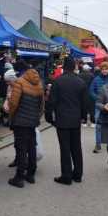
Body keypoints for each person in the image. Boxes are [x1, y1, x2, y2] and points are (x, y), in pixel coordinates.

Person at [46, 56, 87, 185]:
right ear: (74, 66)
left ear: (64, 67)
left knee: (65, 148)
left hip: (62, 119)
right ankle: (78, 174)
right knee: (76, 147)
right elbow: (84, 102)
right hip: (75, 119)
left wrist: (48, 116)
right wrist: (83, 117)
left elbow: (51, 101)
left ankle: (66, 175)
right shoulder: (80, 82)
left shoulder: (58, 81)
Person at [8, 68, 44, 188]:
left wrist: (12, 116)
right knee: (31, 147)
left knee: (21, 148)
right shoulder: (39, 84)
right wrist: (36, 117)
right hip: (32, 121)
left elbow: (13, 103)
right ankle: (31, 174)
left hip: (20, 121)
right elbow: (42, 105)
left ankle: (19, 177)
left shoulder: (20, 82)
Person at [89, 61, 108, 153]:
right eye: (103, 69)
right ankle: (98, 144)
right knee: (98, 126)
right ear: (101, 70)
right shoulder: (96, 79)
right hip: (99, 106)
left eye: (106, 69)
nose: (105, 71)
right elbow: (91, 91)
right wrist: (97, 98)